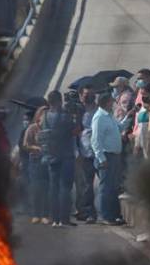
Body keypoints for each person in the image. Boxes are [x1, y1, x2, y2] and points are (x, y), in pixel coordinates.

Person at [41, 90, 78, 228]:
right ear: (59, 101)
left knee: (53, 187)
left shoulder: (45, 116)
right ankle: (64, 218)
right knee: (65, 188)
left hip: (51, 155)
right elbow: (74, 131)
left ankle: (54, 218)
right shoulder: (65, 116)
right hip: (66, 155)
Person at [91, 93, 123, 225]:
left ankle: (114, 214)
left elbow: (119, 127)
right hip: (106, 156)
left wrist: (128, 117)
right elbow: (95, 140)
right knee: (105, 187)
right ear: (105, 103)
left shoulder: (109, 116)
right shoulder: (99, 118)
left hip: (114, 156)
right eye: (111, 102)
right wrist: (101, 158)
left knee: (113, 187)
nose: (113, 104)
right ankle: (105, 216)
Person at [22, 107, 49, 224]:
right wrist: (36, 148)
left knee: (47, 189)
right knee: (36, 188)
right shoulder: (32, 128)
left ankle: (45, 214)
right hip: (35, 161)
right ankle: (36, 214)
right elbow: (25, 144)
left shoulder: (50, 129)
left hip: (48, 161)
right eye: (44, 115)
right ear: (39, 116)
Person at [75, 84, 97, 223]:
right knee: (86, 184)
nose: (88, 97)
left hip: (99, 151)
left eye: (91, 94)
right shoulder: (78, 112)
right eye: (85, 94)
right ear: (80, 96)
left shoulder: (98, 110)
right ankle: (87, 212)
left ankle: (93, 212)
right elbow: (75, 132)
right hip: (84, 152)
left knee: (99, 185)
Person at [132, 84, 150, 160]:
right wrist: (136, 145)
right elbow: (140, 128)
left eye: (145, 94)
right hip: (142, 145)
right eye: (142, 95)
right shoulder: (142, 110)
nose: (143, 97)